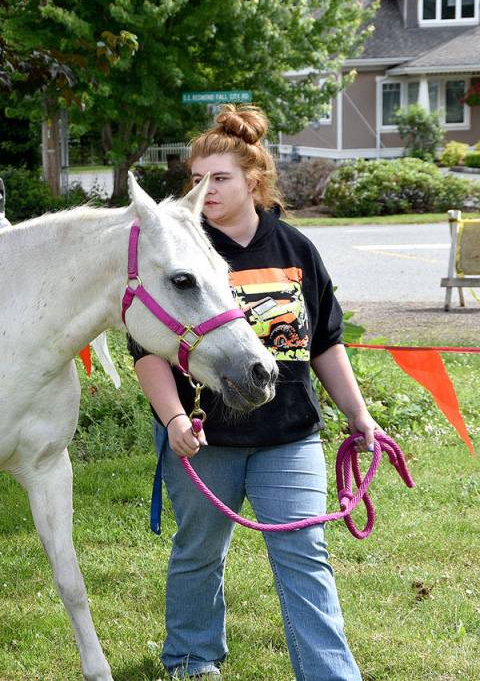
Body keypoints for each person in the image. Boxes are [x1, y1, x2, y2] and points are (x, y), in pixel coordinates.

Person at [131, 105, 380, 680]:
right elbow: (147, 354)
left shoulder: (295, 249)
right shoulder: (180, 256)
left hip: (288, 436)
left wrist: (360, 417)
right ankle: (192, 661)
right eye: (196, 179)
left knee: (304, 557)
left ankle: (328, 674)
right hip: (203, 438)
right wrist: (172, 422)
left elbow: (326, 344)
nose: (205, 189)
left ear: (254, 180)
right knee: (198, 553)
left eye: (219, 178)